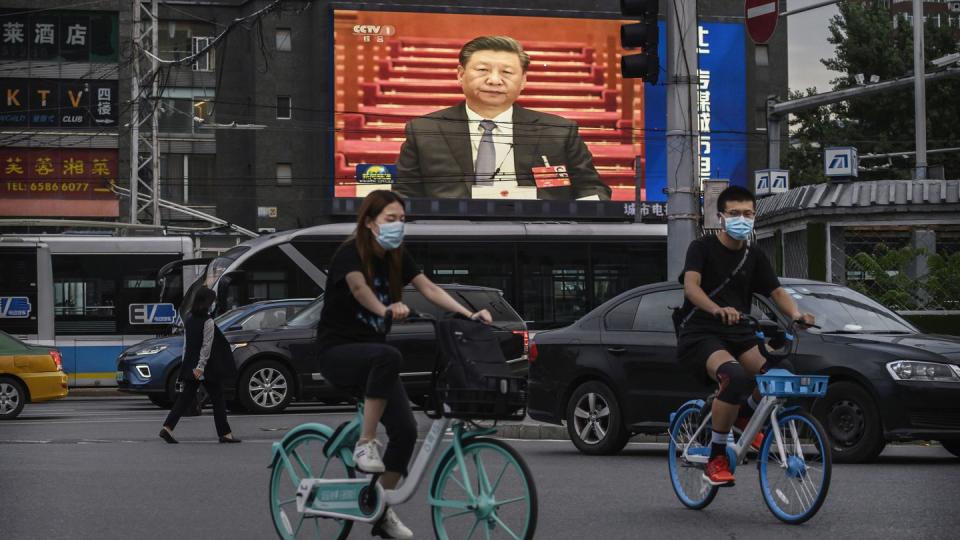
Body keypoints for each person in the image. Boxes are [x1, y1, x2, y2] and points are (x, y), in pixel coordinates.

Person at [316, 190, 491, 539]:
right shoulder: (349, 254)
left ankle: (380, 508)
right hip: (338, 354)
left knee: (407, 431)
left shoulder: (397, 256)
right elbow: (358, 288)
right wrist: (383, 310)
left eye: (402, 220)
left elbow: (429, 289)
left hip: (373, 358)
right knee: (389, 356)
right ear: (369, 222)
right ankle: (365, 442)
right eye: (390, 220)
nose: (398, 227)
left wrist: (469, 313)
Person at [677, 185, 815, 486]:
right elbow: (691, 287)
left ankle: (743, 415)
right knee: (735, 377)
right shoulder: (701, 248)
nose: (743, 219)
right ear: (721, 217)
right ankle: (715, 458)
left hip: (739, 332)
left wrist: (796, 315)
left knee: (782, 374)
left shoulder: (754, 255)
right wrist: (716, 309)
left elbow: (776, 291)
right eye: (735, 214)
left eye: (748, 214)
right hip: (702, 332)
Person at [394, 35, 611, 201]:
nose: (495, 80)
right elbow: (404, 193)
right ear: (460, 74)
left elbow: (591, 188)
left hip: (538, 237)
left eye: (507, 72)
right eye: (482, 70)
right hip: (453, 235)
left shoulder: (558, 131)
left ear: (524, 80)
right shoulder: (424, 130)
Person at [159, 287, 240, 444]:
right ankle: (225, 434)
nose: (213, 303)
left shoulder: (189, 319)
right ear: (206, 302)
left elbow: (187, 345)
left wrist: (186, 364)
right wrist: (200, 367)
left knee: (184, 398)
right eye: (212, 300)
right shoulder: (207, 321)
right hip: (204, 368)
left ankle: (167, 428)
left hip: (191, 364)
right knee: (218, 399)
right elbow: (206, 346)